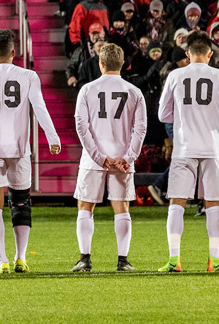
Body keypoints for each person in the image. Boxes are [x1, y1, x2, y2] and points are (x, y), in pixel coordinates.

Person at [0, 29, 61, 274]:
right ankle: (21, 257)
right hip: (19, 148)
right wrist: (52, 136)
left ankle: (1, 260)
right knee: (21, 203)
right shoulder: (28, 76)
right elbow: (40, 107)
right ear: (14, 52)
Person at [157, 31, 219, 273]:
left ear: (188, 53)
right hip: (212, 147)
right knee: (213, 204)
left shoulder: (175, 75)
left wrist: (183, 120)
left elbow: (163, 114)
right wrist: (212, 122)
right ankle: (214, 260)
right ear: (210, 54)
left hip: (184, 146)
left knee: (177, 202)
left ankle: (174, 259)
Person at [70, 43, 146, 273]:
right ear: (123, 63)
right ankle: (123, 260)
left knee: (85, 206)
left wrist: (97, 156)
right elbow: (140, 129)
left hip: (93, 159)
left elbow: (82, 127)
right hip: (122, 157)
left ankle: (85, 258)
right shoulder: (134, 91)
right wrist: (129, 157)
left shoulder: (87, 89)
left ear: (100, 63)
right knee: (122, 208)